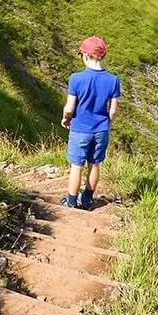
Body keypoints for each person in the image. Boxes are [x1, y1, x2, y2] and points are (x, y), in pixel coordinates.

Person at [60, 36, 121, 210]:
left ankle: (71, 201)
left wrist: (66, 118)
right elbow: (114, 110)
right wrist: (107, 122)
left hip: (80, 128)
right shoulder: (113, 80)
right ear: (102, 56)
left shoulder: (76, 78)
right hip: (101, 129)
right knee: (94, 164)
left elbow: (70, 107)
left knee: (76, 166)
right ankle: (87, 199)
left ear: (85, 55)